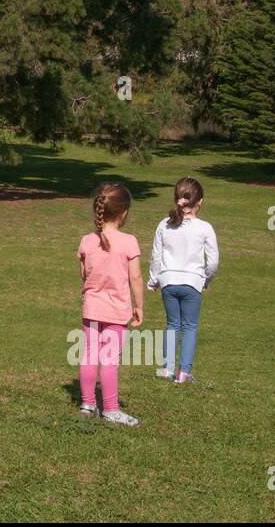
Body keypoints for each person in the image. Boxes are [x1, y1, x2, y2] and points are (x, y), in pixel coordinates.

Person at [75, 183, 143, 426]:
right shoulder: (129, 242)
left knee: (89, 355)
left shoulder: (86, 241)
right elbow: (135, 277)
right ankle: (111, 409)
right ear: (123, 212)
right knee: (110, 359)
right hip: (116, 312)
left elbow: (85, 274)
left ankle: (87, 404)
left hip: (91, 310)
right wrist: (139, 306)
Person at [147, 177, 219, 384]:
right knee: (189, 326)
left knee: (172, 324)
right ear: (200, 201)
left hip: (168, 281)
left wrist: (153, 280)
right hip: (193, 282)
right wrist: (206, 279)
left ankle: (167, 369)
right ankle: (184, 373)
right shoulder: (205, 228)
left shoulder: (164, 224)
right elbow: (213, 261)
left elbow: (156, 256)